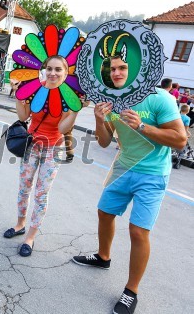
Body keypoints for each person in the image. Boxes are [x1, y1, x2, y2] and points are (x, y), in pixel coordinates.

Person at [72, 54, 187, 314]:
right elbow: (103, 142)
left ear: (136, 69)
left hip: (153, 173)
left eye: (122, 67)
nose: (116, 72)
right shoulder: (111, 100)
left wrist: (143, 126)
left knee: (138, 231)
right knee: (104, 212)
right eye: (112, 68)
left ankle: (131, 290)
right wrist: (101, 121)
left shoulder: (160, 98)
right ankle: (103, 257)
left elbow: (180, 139)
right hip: (124, 167)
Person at [4, 55, 87, 257]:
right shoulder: (36, 88)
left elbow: (62, 127)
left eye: (58, 69)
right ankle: (20, 224)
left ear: (66, 72)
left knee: (41, 193)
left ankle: (30, 237)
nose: (52, 73)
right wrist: (18, 94)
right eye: (49, 68)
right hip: (32, 145)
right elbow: (24, 117)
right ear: (44, 69)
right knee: (24, 188)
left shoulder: (69, 97)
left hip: (53, 148)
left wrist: (75, 111)